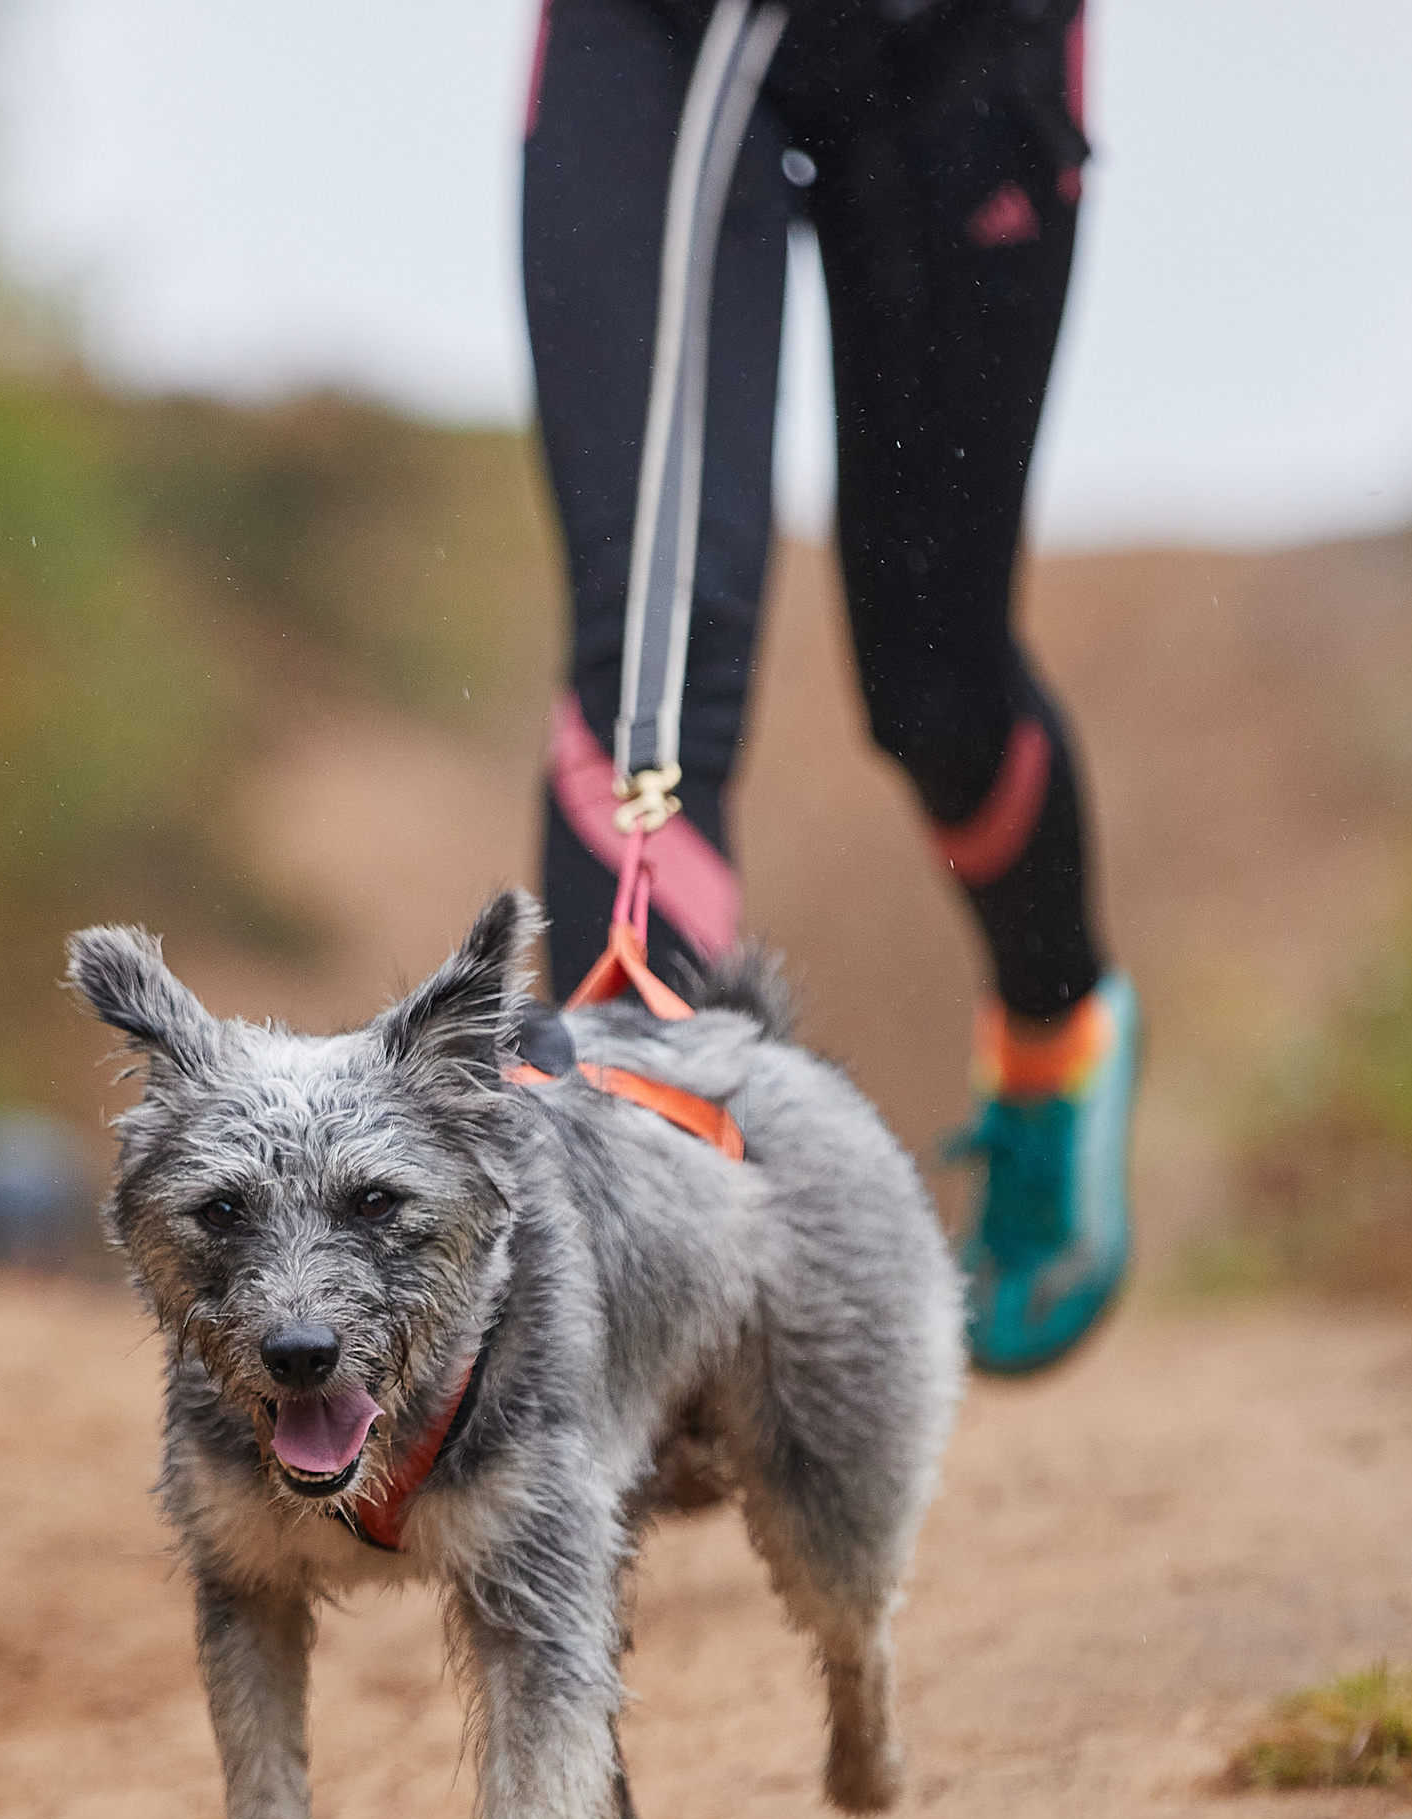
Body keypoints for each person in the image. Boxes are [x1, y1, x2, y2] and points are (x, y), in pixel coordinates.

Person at [522, 0, 1137, 1376]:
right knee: (657, 653)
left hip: (972, 46)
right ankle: (641, 1222)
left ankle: (1055, 1044)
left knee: (934, 685)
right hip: (663, 33)